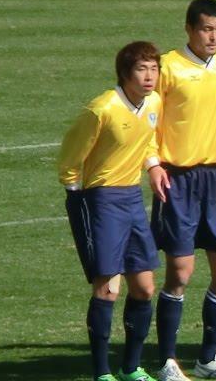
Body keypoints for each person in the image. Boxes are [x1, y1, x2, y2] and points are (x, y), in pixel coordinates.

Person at [148, 0, 216, 381]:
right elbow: (149, 119)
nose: (213, 37)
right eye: (206, 29)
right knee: (180, 273)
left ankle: (207, 359)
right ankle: (167, 361)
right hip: (179, 179)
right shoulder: (168, 67)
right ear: (189, 29)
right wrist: (153, 164)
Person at [58, 41, 162, 381]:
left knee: (144, 288)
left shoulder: (153, 103)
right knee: (108, 289)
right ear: (125, 73)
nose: (149, 76)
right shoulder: (102, 109)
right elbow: (71, 155)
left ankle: (131, 368)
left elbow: (148, 138)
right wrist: (76, 195)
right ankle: (102, 373)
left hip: (132, 198)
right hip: (101, 200)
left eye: (154, 69)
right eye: (142, 69)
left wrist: (153, 165)